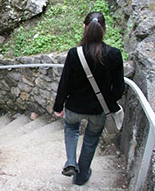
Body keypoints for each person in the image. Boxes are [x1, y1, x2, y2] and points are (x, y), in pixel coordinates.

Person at [53, 11, 125, 186]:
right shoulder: (114, 54)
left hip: (74, 106)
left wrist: (58, 106)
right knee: (91, 140)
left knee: (71, 130)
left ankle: (71, 161)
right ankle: (81, 175)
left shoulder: (74, 54)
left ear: (85, 27)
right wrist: (109, 100)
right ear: (104, 29)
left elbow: (65, 83)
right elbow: (119, 88)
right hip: (99, 109)